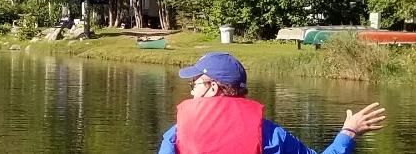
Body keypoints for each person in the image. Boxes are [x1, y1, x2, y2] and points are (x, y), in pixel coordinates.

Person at [158, 52, 386, 154]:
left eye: (195, 85)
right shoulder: (269, 134)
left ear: (213, 88)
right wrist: (348, 131)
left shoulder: (177, 134)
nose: (192, 93)